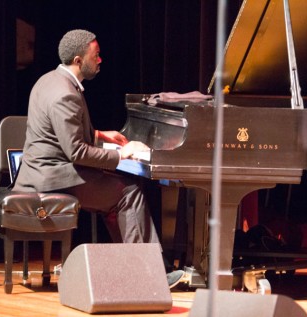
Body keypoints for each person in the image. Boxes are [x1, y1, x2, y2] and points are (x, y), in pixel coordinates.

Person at [13, 29, 184, 288]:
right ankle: (149, 276)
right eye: (97, 55)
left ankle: (134, 270)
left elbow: (59, 132)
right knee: (128, 192)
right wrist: (120, 154)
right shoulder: (65, 94)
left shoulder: (49, 80)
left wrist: (99, 134)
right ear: (79, 60)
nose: (101, 59)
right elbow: (77, 152)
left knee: (119, 186)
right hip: (53, 180)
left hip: (45, 173)